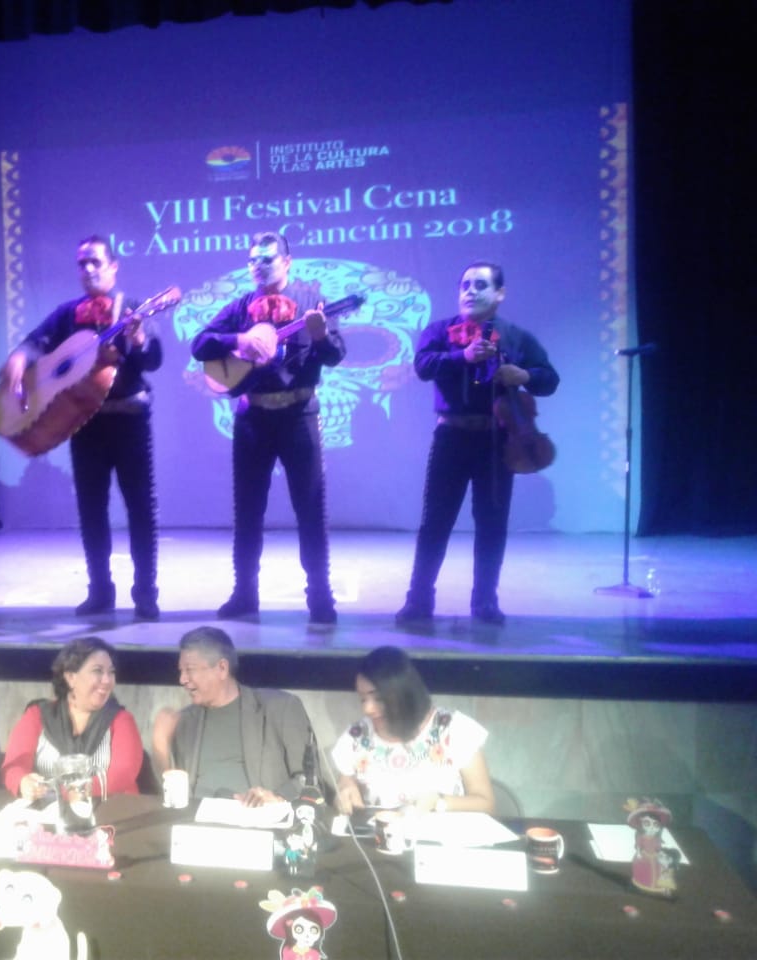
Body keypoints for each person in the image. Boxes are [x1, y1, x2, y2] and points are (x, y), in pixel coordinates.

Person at [0, 236, 162, 620]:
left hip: (130, 421)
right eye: (82, 263)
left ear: (113, 267)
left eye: (95, 262)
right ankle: (100, 591)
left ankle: (145, 594)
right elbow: (34, 343)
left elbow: (154, 360)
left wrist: (138, 338)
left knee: (140, 508)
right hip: (84, 424)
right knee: (91, 510)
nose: (88, 270)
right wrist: (19, 361)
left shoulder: (134, 308)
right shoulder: (68, 314)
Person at [190, 232, 345, 623]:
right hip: (253, 418)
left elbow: (335, 355)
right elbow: (200, 344)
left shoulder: (313, 302)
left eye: (267, 259)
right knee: (247, 510)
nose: (258, 266)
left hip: (299, 415)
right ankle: (244, 594)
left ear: (287, 262)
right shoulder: (241, 307)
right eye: (253, 260)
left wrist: (320, 335)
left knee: (310, 508)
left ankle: (321, 597)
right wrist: (239, 338)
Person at [395, 261, 560, 626]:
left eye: (481, 285)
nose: (470, 291)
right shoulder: (440, 331)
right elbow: (423, 366)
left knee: (492, 521)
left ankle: (485, 600)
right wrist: (462, 356)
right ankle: (418, 598)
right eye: (465, 285)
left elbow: (550, 379)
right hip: (451, 436)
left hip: (499, 440)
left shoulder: (515, 336)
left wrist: (524, 374)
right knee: (435, 521)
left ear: (500, 294)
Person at [166, 626, 321, 806]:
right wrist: (161, 746)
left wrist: (278, 798)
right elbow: (169, 795)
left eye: (189, 670)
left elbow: (310, 780)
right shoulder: (185, 721)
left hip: (257, 818)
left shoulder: (281, 708)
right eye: (181, 671)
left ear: (222, 668)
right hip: (194, 819)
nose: (182, 679)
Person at [331, 645, 494, 815]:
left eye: (378, 698)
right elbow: (345, 782)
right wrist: (346, 787)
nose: (367, 709)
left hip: (443, 831)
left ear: (404, 694)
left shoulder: (454, 729)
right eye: (363, 699)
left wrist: (439, 802)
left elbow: (486, 803)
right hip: (380, 831)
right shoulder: (357, 736)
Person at [2, 636, 143, 800]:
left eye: (111, 672)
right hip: (47, 810)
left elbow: (122, 775)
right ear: (71, 677)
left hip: (109, 809)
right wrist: (23, 782)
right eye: (97, 671)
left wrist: (68, 792)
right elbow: (14, 767)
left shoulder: (121, 720)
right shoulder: (37, 715)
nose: (107, 680)